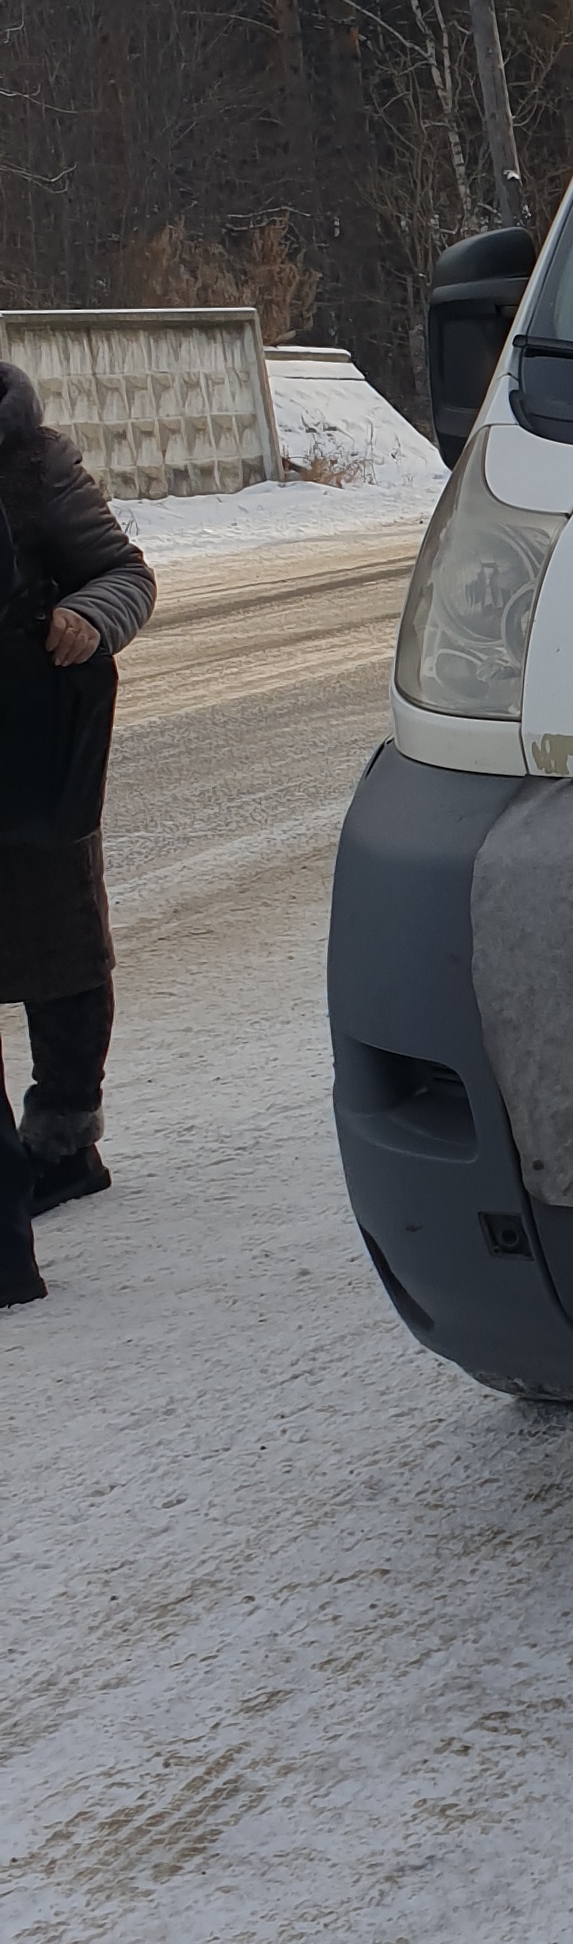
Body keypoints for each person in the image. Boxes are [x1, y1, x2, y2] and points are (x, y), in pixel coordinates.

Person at [0, 357, 156, 1283]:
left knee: (58, 945)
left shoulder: (32, 462)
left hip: (33, 735)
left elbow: (124, 574)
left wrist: (87, 618)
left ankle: (64, 1140)